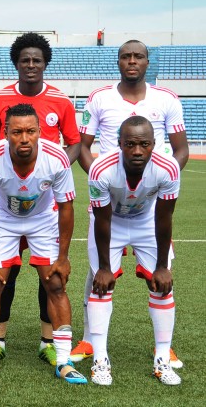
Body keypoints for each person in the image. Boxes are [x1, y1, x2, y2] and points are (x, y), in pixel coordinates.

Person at [74, 39, 188, 367]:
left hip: (148, 202)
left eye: (138, 56)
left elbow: (180, 149)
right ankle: (89, 339)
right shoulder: (99, 98)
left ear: (147, 62)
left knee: (162, 274)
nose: (132, 61)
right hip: (109, 195)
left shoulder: (167, 99)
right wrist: (106, 180)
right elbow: (83, 146)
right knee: (98, 272)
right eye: (126, 56)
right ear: (118, 62)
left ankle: (163, 347)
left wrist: (155, 181)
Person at [0, 103, 87, 385]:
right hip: (3, 218)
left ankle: (64, 361)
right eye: (17, 132)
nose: (24, 138)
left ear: (40, 131)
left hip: (43, 219)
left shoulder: (56, 157)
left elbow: (66, 208)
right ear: (5, 133)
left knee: (55, 283)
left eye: (30, 131)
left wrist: (63, 257)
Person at [0, 32, 81, 366]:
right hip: (7, 203)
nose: (30, 65)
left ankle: (48, 341)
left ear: (45, 64)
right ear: (16, 63)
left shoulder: (61, 101)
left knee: (49, 275)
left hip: (45, 204)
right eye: (24, 60)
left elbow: (74, 143)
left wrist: (53, 173)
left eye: (36, 60)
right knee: (5, 274)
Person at [86, 116, 181, 386]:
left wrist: (162, 266)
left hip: (147, 221)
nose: (137, 151)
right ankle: (100, 359)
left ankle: (162, 359)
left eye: (144, 144)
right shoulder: (101, 169)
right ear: (119, 144)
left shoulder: (168, 167)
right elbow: (102, 219)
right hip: (111, 222)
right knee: (101, 286)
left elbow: (164, 217)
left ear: (154, 144)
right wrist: (105, 268)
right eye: (130, 144)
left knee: (162, 286)